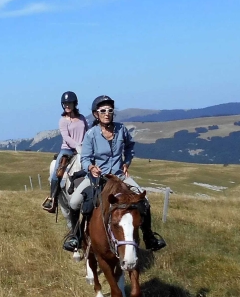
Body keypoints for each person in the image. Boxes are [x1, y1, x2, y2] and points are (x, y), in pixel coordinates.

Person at [63, 95, 166, 252]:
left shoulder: (121, 129)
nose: (107, 113)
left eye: (110, 110)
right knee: (74, 203)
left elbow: (130, 146)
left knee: (144, 201)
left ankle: (149, 237)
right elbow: (85, 158)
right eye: (103, 110)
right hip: (98, 178)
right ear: (96, 114)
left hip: (119, 176)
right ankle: (75, 237)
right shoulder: (91, 134)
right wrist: (91, 167)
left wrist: (127, 161)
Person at [41, 91, 88, 213]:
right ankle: (53, 199)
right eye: (65, 103)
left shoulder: (82, 118)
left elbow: (87, 133)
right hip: (67, 149)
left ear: (74, 103)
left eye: (69, 103)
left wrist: (86, 145)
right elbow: (66, 137)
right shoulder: (63, 120)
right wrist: (76, 146)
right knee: (57, 172)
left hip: (84, 149)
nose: (67, 105)